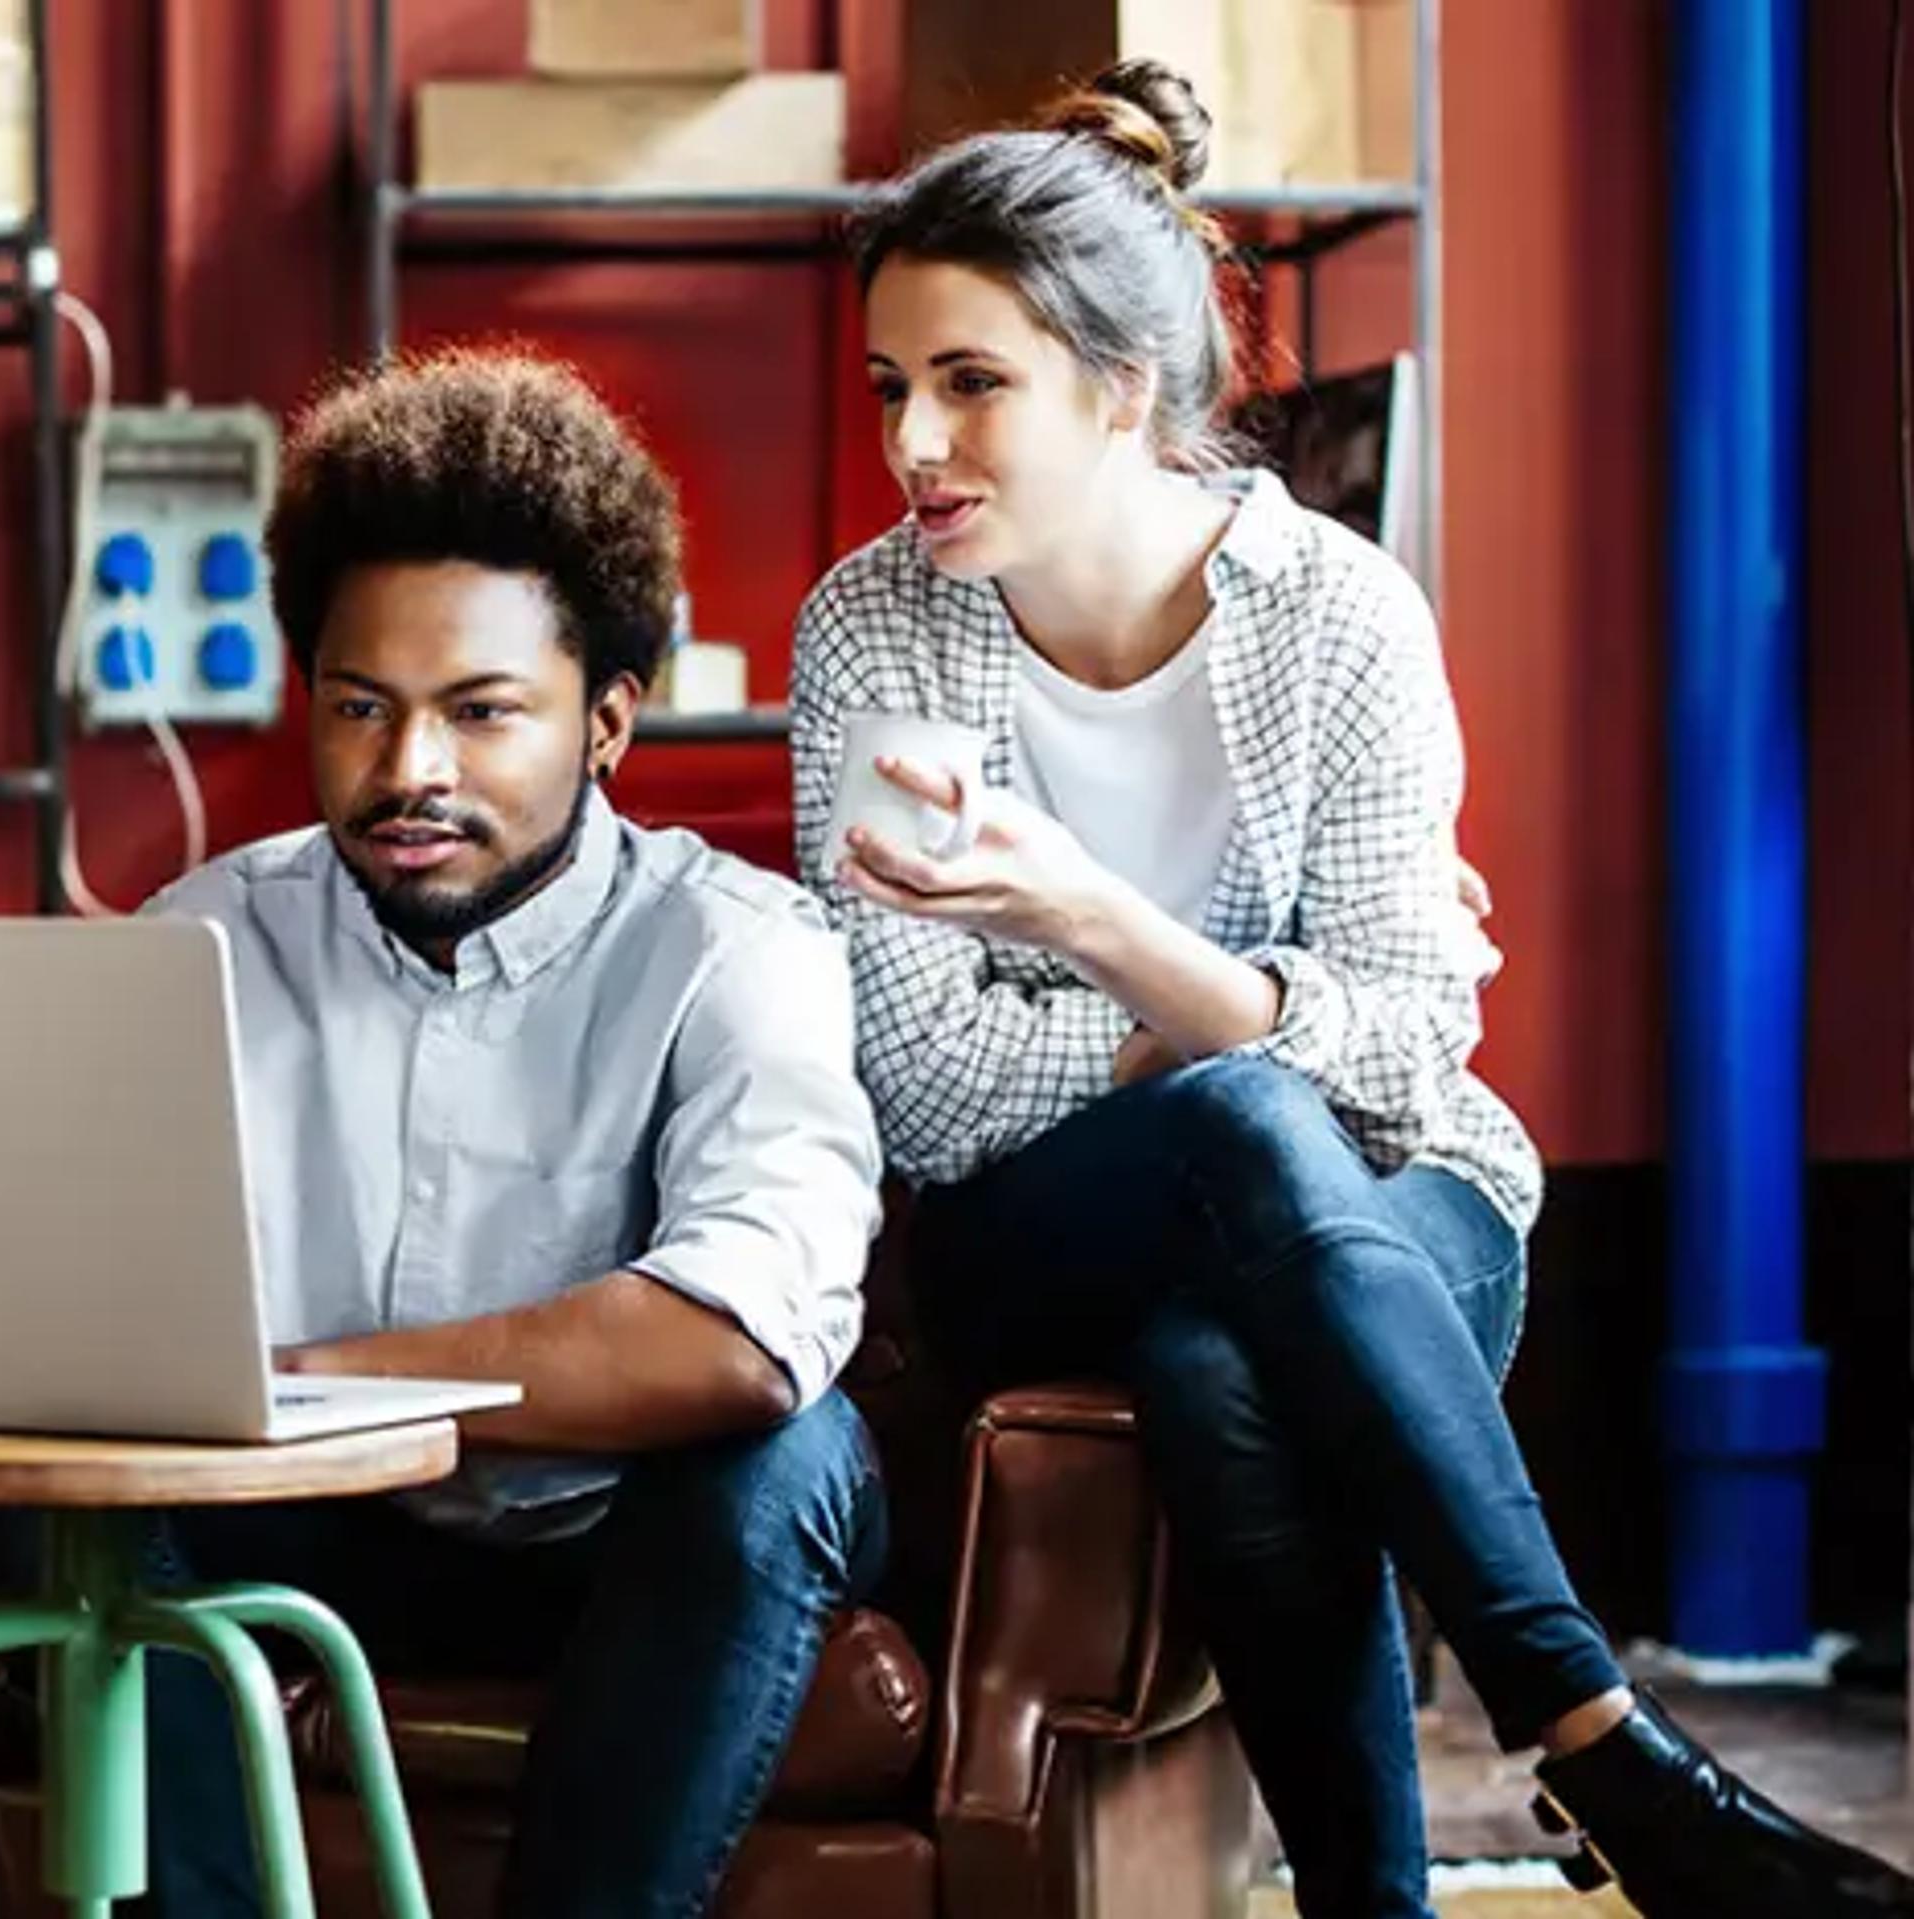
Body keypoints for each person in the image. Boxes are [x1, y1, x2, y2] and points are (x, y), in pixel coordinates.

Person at [788, 58, 1914, 1919]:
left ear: (1123, 391)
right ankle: (1604, 1747)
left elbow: (1407, 1067)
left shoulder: (1341, 611)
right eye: (896, 385)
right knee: (1241, 1109)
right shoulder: (872, 622)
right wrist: (1226, 1002)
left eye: (973, 383)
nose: (916, 442)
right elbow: (932, 1091)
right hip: (1040, 1231)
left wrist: (1087, 920)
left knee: (1221, 1359)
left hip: (1397, 1207)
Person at [0, 348, 886, 1919]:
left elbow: (739, 1341)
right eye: (361, 709)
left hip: (624, 1542)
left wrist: (302, 1384)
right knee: (54, 1493)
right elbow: (82, 1311)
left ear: (606, 722)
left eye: (481, 714)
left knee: (781, 1462)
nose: (411, 773)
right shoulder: (197, 943)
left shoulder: (741, 948)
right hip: (313, 1537)